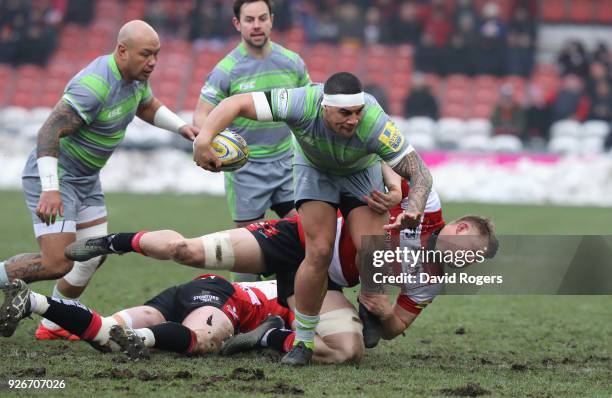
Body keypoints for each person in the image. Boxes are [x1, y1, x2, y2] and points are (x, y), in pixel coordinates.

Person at [64, 177, 497, 364]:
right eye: (466, 248)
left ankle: (270, 335)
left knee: (348, 352)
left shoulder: (434, 278)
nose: (463, 259)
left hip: (323, 281)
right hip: (299, 238)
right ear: (458, 227)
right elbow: (390, 167)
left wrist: (382, 311)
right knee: (187, 251)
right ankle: (112, 242)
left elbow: (396, 326)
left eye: (470, 260)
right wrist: (385, 193)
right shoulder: (426, 207)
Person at [192, 71, 434, 365]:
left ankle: (369, 303)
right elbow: (236, 103)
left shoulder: (375, 122)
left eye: (357, 112)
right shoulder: (301, 102)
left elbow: (420, 172)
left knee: (373, 250)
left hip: (360, 172)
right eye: (345, 113)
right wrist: (204, 139)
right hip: (314, 170)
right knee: (318, 252)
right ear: (324, 107)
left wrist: (414, 207)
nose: (353, 120)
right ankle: (303, 342)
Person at [0, 20, 200, 341]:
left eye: (157, 55)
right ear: (122, 51)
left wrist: (181, 128)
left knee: (92, 254)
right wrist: (51, 189)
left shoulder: (135, 78)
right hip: (56, 177)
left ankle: (53, 323)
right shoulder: (95, 85)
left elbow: (146, 105)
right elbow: (49, 131)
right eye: (146, 54)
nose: (153, 62)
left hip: (86, 179)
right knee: (57, 263)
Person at [194, 0, 310, 282]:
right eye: (249, 20)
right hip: (246, 169)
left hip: (287, 163)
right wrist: (210, 144)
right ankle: (245, 314)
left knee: (306, 235)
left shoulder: (292, 63)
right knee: (248, 249)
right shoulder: (227, 69)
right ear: (238, 24)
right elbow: (201, 116)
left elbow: (308, 107)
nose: (256, 25)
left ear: (271, 19)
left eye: (261, 18)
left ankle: (292, 304)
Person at [0, 275, 292, 360]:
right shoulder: (318, 302)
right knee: (204, 341)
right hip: (221, 297)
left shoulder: (299, 282)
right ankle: (139, 338)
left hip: (190, 292)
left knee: (108, 336)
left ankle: (35, 302)